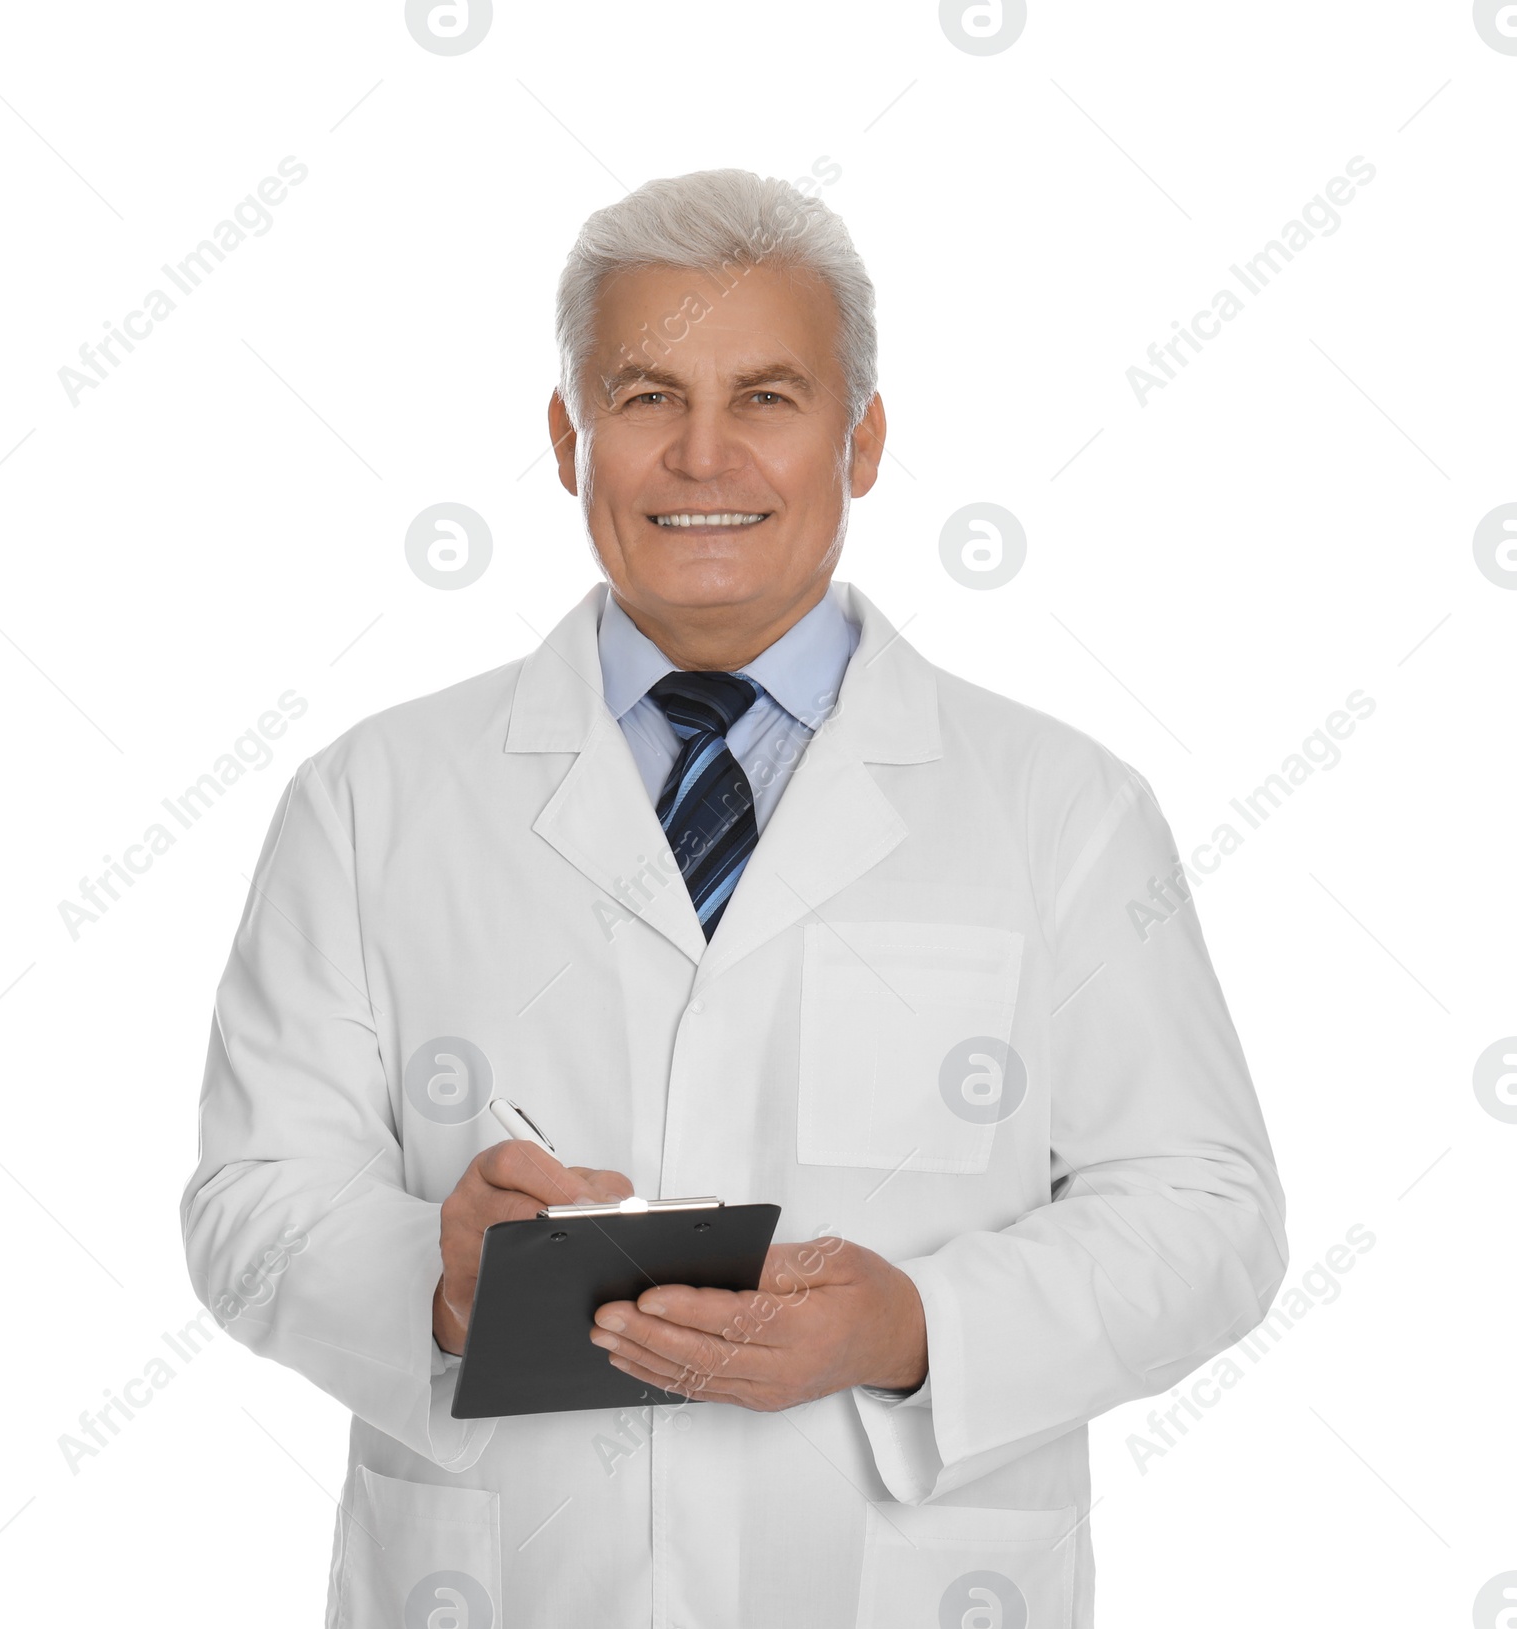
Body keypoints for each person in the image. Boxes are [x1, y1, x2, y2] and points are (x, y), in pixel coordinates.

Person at [180, 168, 1287, 1628]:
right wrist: (437, 1283)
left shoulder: (1061, 810)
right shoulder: (371, 798)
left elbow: (1210, 1216)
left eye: (767, 396)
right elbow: (249, 1208)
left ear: (864, 438)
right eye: (645, 398)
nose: (704, 456)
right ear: (568, 437)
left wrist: (913, 1326)